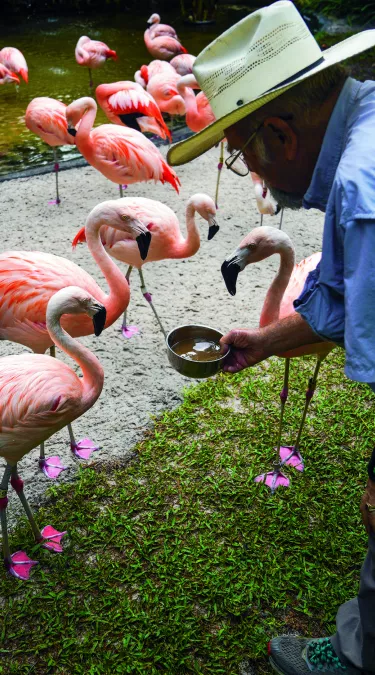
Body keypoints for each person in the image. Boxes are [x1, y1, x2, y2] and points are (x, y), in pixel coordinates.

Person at [167, 2, 375, 673]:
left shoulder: (359, 187)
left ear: (280, 136)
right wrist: (266, 340)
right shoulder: (365, 124)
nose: (253, 180)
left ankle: (356, 658)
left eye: (244, 157)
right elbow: (341, 295)